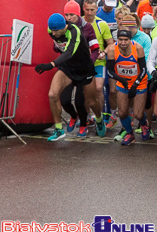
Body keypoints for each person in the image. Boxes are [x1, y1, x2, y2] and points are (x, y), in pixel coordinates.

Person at [35, 13, 105, 141]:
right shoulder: (51, 30)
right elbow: (59, 47)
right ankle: (58, 129)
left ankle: (99, 119)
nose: (53, 33)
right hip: (67, 68)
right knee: (53, 94)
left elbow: (69, 52)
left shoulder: (75, 31)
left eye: (56, 31)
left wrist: (51, 64)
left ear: (64, 27)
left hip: (84, 68)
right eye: (52, 30)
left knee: (90, 102)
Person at [105, 30, 148, 145]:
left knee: (138, 114)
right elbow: (109, 70)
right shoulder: (112, 49)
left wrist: (135, 85)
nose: (123, 43)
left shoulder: (138, 48)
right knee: (122, 113)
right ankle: (130, 133)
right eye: (120, 40)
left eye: (126, 40)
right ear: (117, 40)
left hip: (139, 82)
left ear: (130, 40)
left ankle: (144, 124)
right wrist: (121, 80)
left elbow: (143, 69)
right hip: (123, 83)